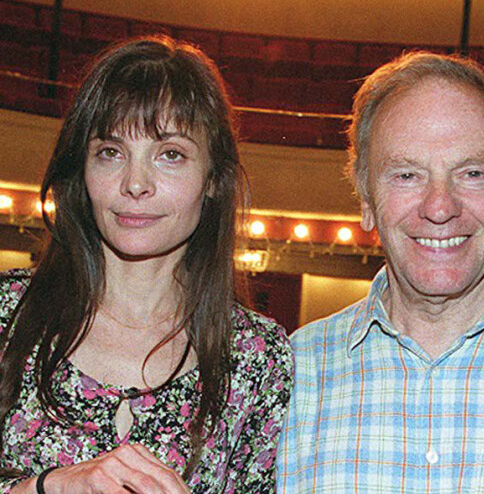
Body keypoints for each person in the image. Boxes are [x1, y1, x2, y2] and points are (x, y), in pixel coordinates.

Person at [0, 36, 293, 493]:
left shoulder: (258, 358)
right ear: (82, 171)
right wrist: (47, 488)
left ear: (214, 179)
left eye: (170, 154)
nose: (135, 183)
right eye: (110, 152)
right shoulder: (6, 313)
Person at [277, 51, 484, 492]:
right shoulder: (290, 376)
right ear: (365, 200)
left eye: (472, 173)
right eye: (406, 175)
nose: (440, 207)